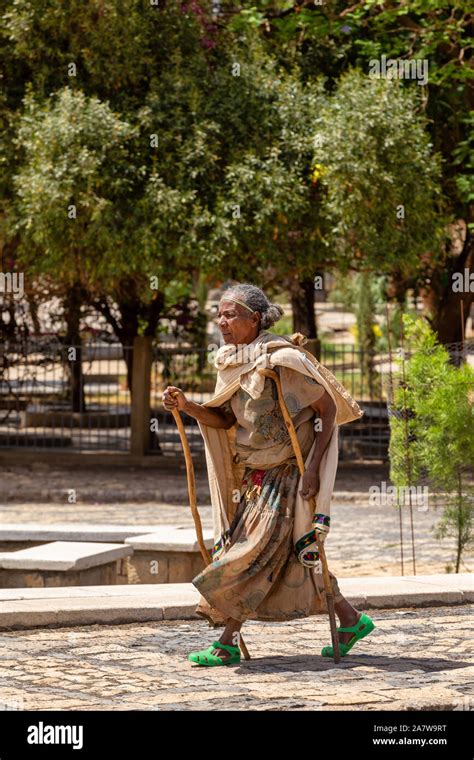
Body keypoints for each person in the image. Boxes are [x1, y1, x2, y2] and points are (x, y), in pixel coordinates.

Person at [162, 283, 375, 666]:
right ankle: (350, 619)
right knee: (292, 557)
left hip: (288, 475)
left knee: (250, 555)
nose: (221, 322)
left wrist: (313, 469)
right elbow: (225, 419)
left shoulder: (283, 360)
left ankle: (226, 641)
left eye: (231, 315)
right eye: (220, 314)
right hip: (254, 478)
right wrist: (189, 406)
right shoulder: (231, 362)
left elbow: (328, 412)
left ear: (255, 318)